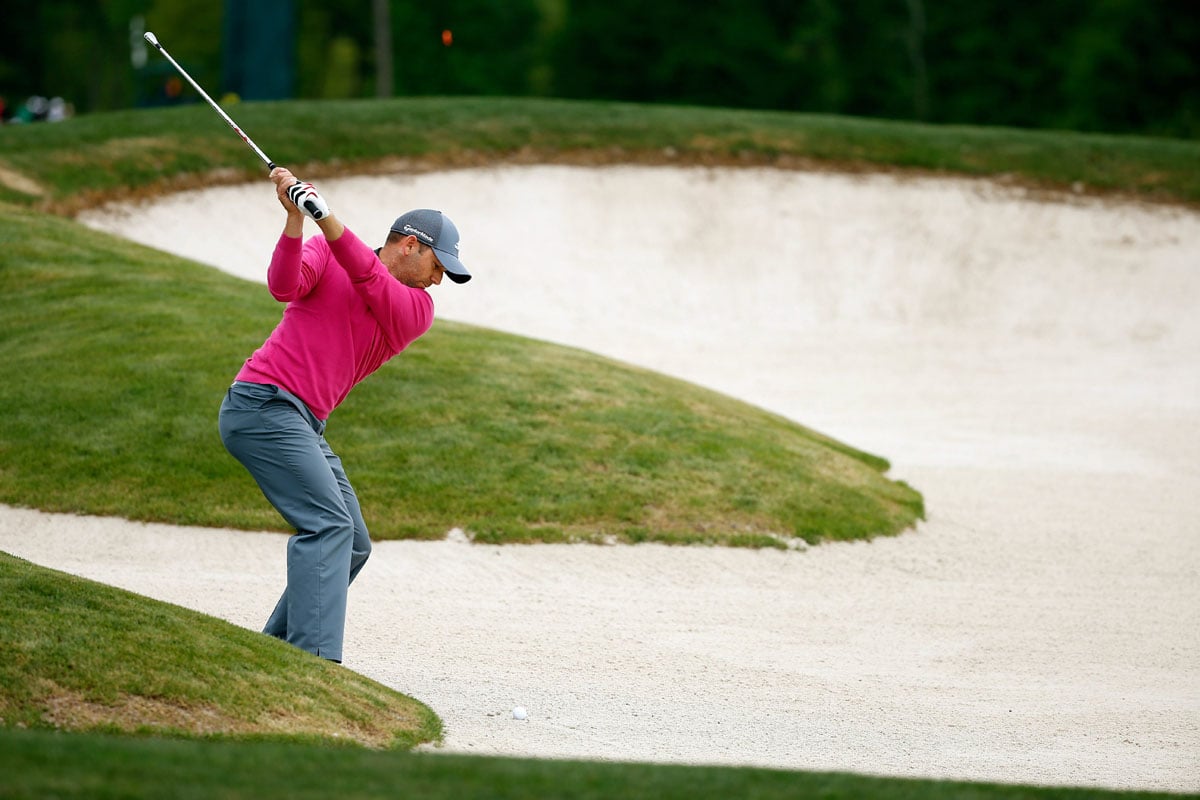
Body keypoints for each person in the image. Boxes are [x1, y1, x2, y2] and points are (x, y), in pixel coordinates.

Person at [218, 167, 471, 662]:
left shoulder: (414, 309)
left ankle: (275, 654)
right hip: (262, 403)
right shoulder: (323, 252)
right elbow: (282, 286)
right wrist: (297, 221)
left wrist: (326, 217)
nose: (441, 278)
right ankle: (315, 662)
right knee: (328, 525)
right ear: (410, 246)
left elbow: (366, 275)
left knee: (352, 541)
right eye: (439, 265)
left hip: (303, 423)